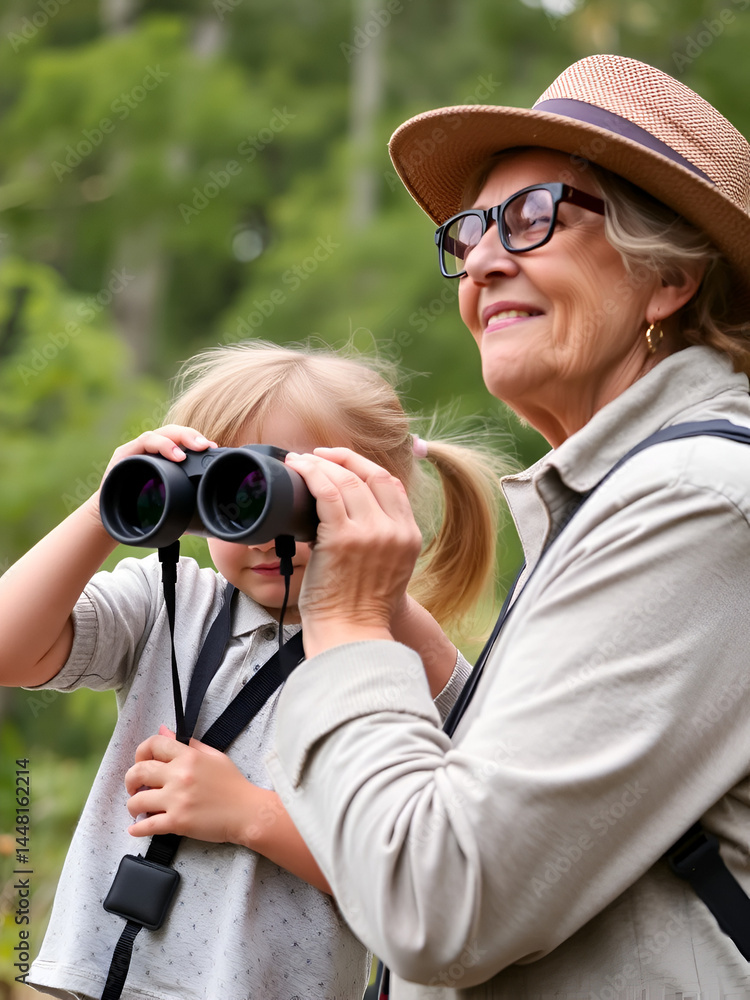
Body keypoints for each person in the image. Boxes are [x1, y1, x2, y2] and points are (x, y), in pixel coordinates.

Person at [263, 55, 750, 997]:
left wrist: (351, 626)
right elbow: (529, 798)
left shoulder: (698, 501)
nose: (483, 260)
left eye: (532, 219)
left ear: (669, 278)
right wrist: (405, 633)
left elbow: (438, 905)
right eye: (470, 231)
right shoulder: (623, 497)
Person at [0, 340, 506, 1000]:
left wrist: (249, 815)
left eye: (289, 496)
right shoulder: (171, 602)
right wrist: (107, 508)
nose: (263, 532)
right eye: (229, 492)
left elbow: (421, 877)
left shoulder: (391, 664)